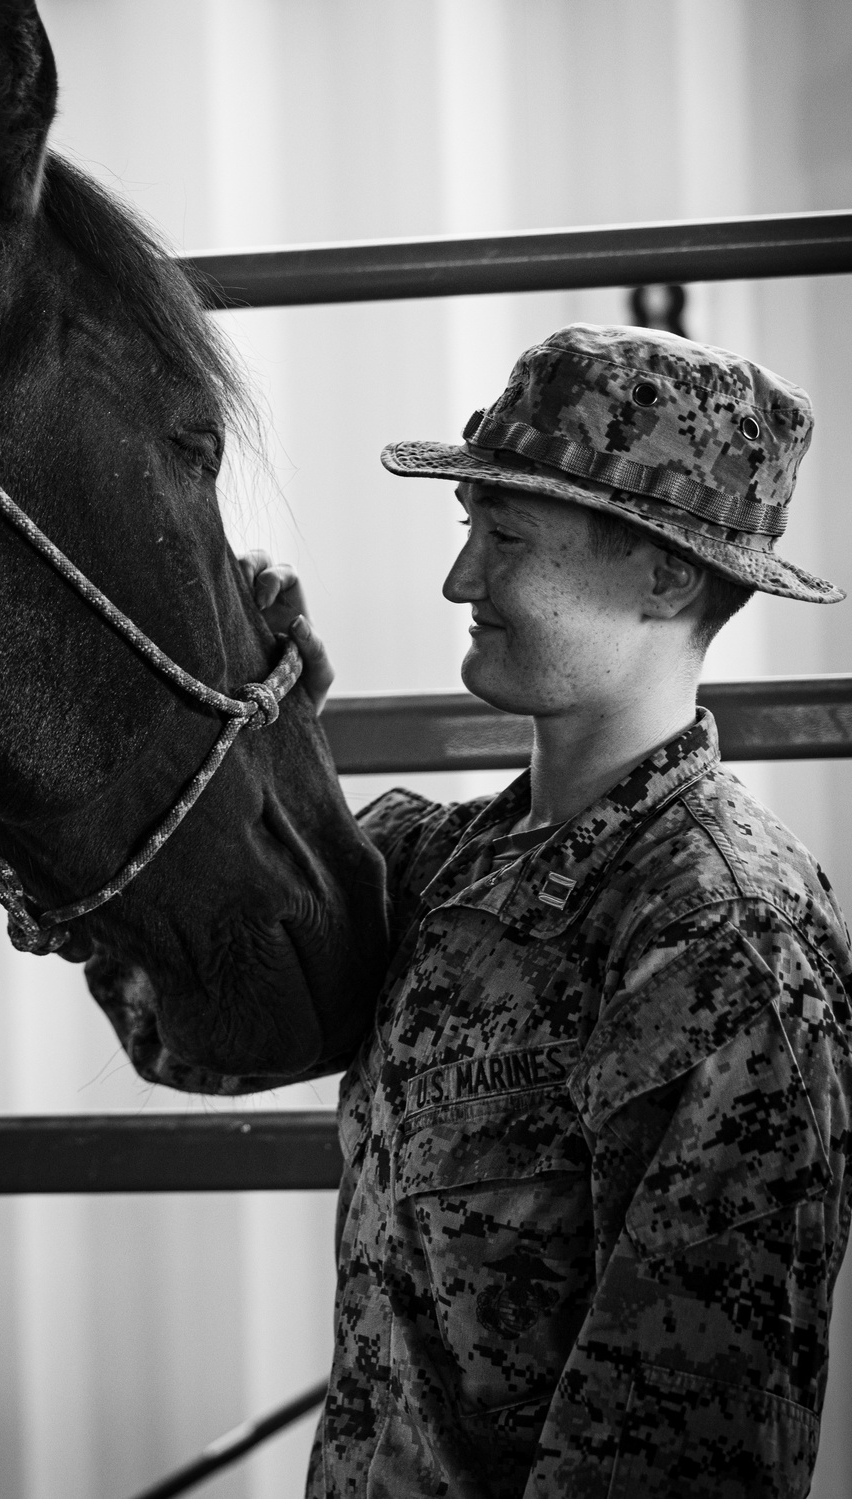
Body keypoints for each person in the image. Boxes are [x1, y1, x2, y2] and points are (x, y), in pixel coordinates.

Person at [244, 323, 852, 1498]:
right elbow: (224, 1022)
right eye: (468, 529)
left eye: (506, 536)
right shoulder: (433, 858)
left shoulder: (721, 935)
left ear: (665, 573)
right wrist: (252, 744)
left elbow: (683, 1450)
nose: (459, 579)